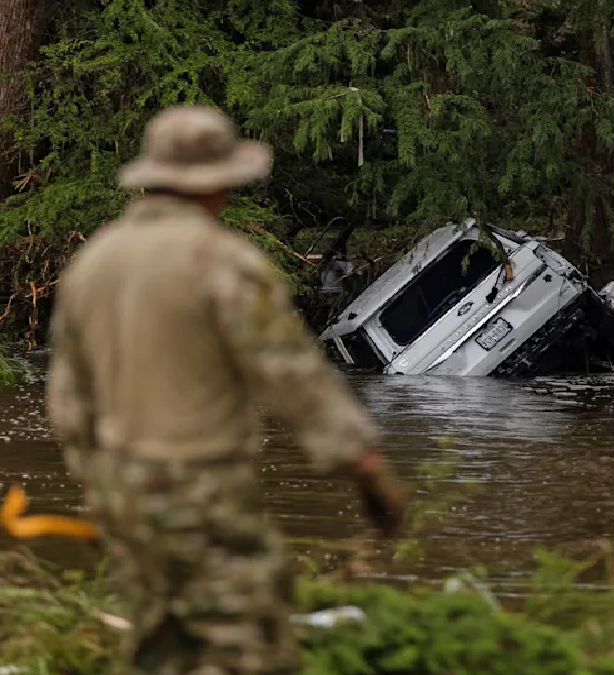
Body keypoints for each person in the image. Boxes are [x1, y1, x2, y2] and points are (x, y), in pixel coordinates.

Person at [44, 104, 409, 675]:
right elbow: (291, 374)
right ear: (217, 184)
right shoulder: (222, 261)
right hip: (202, 487)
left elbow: (68, 400)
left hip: (120, 489)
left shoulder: (93, 264)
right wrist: (363, 464)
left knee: (161, 645)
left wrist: (101, 480)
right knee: (248, 644)